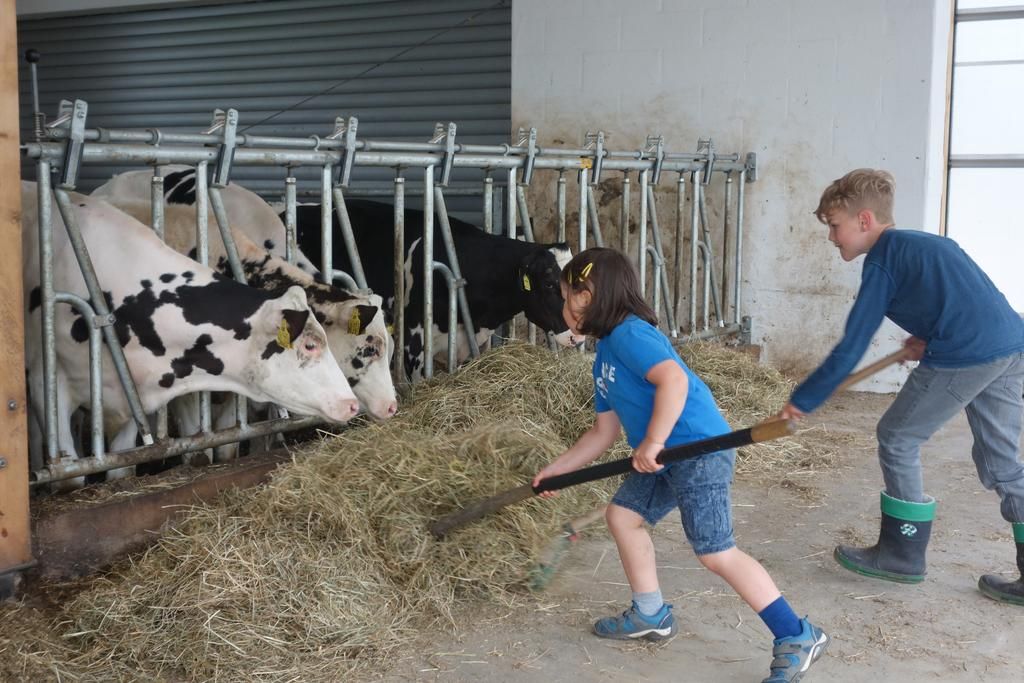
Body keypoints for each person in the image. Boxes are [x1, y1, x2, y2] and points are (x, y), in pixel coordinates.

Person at [533, 247, 829, 682]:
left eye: (566, 296)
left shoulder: (632, 336)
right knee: (623, 516)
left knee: (716, 551)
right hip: (663, 458)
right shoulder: (605, 356)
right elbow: (603, 432)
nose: (562, 307)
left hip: (699, 449)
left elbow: (672, 378)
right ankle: (650, 614)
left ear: (588, 294)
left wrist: (652, 441)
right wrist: (559, 468)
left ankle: (797, 634)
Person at [777, 168, 1024, 604]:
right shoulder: (925, 244)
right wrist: (930, 332)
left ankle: (902, 554)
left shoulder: (884, 261)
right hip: (1009, 344)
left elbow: (852, 344)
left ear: (865, 221)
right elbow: (969, 293)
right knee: (1003, 462)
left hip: (968, 353)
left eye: (835, 226)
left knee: (897, 436)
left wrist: (805, 399)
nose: (832, 237)